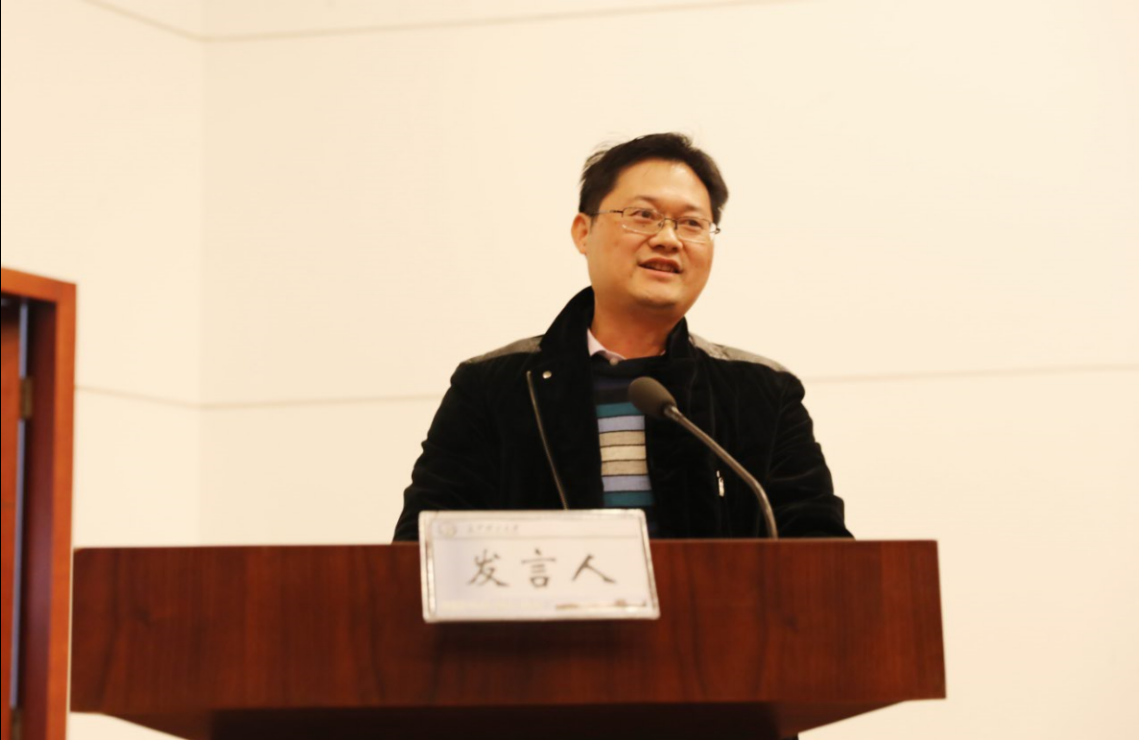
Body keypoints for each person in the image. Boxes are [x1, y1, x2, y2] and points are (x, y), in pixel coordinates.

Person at [393, 133, 849, 542]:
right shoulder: (494, 387)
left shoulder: (761, 391)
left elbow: (822, 554)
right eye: (643, 215)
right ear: (583, 232)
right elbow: (425, 549)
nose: (668, 239)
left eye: (692, 223)